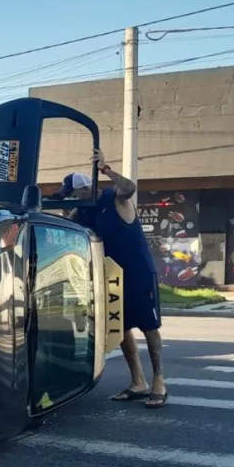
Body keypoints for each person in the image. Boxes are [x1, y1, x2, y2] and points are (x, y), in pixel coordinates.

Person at [57, 148, 168, 408]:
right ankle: (137, 381)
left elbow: (129, 188)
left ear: (85, 190)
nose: (70, 199)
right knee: (122, 328)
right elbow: (68, 230)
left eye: (71, 194)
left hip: (138, 272)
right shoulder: (81, 212)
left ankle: (159, 381)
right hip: (110, 276)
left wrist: (106, 170)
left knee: (149, 327)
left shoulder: (113, 198)